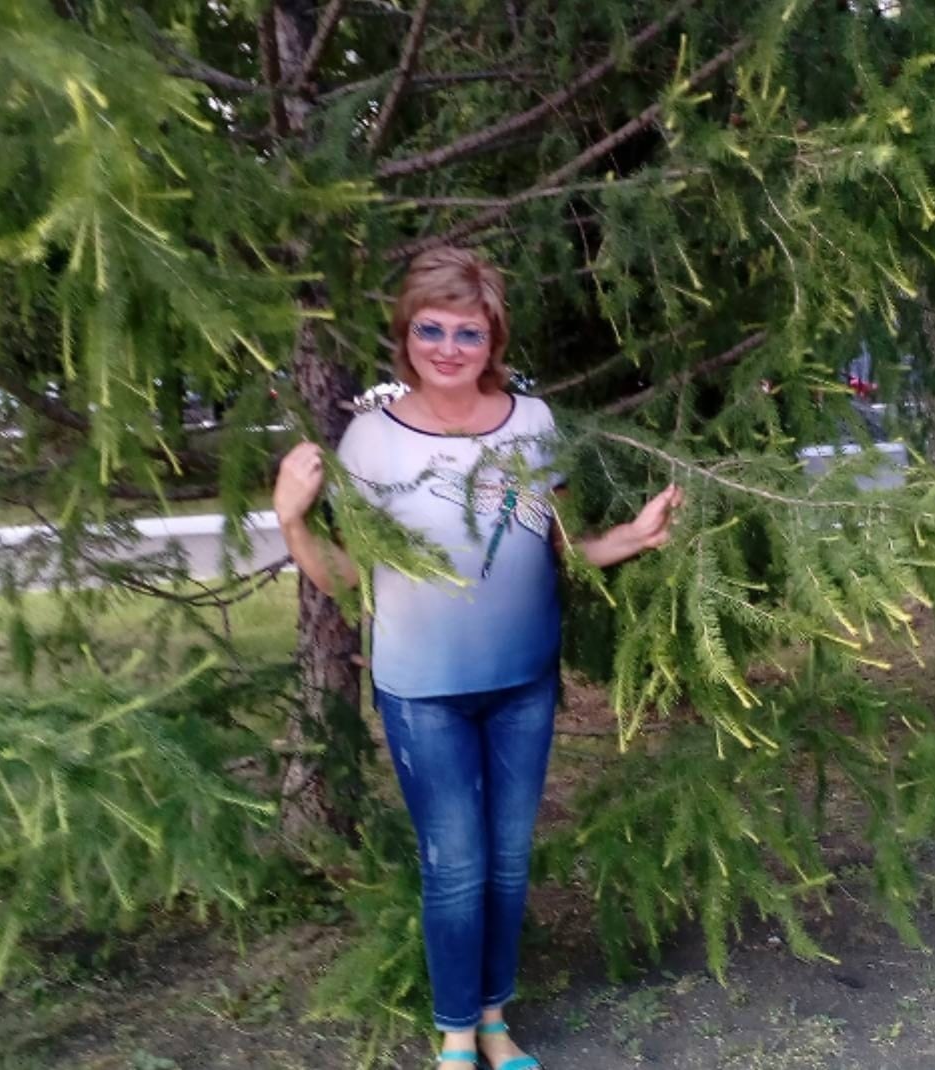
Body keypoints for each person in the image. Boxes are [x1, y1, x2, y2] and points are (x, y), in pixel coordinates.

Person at [273, 246, 682, 1069]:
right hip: (423, 693)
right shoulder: (371, 440)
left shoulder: (531, 423)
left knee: (506, 863)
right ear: (406, 335)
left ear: (493, 340)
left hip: (523, 683)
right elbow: (347, 577)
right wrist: (292, 521)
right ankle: (457, 1034)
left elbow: (556, 545)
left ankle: (494, 1020)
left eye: (469, 331)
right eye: (431, 329)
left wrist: (633, 538)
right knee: (455, 867)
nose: (449, 347)